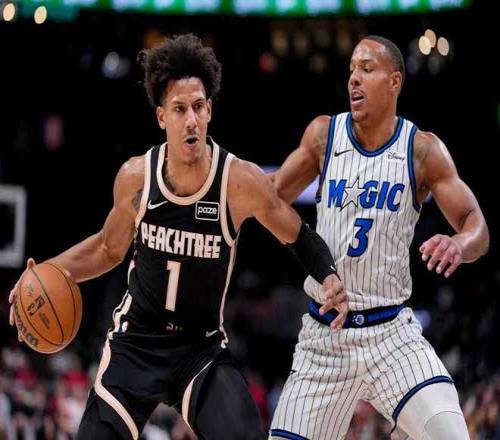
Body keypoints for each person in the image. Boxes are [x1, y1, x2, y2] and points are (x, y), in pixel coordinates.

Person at [8, 34, 348, 440]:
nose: (191, 119)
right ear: (161, 117)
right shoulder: (136, 177)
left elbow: (298, 235)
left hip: (199, 347)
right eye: (180, 108)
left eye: (199, 107)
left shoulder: (238, 181)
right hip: (136, 342)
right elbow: (106, 248)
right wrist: (43, 274)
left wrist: (328, 274)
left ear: (210, 111)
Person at [269, 35, 489, 440]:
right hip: (325, 338)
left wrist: (458, 243)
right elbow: (271, 198)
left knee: (452, 434)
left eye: (367, 69)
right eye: (351, 69)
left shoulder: (422, 150)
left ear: (394, 81)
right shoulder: (323, 136)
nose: (354, 78)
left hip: (391, 335)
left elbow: (477, 225)